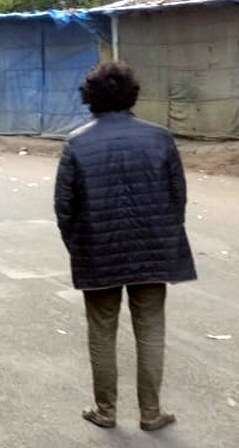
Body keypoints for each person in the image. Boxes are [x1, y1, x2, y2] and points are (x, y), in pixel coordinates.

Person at [54, 61, 196, 431]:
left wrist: (80, 246)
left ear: (90, 99)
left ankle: (106, 410)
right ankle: (151, 413)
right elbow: (177, 198)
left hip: (97, 252)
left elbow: (64, 208)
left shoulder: (76, 143)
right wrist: (163, 240)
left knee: (102, 330)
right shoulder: (160, 138)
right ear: (132, 94)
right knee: (150, 328)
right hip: (153, 251)